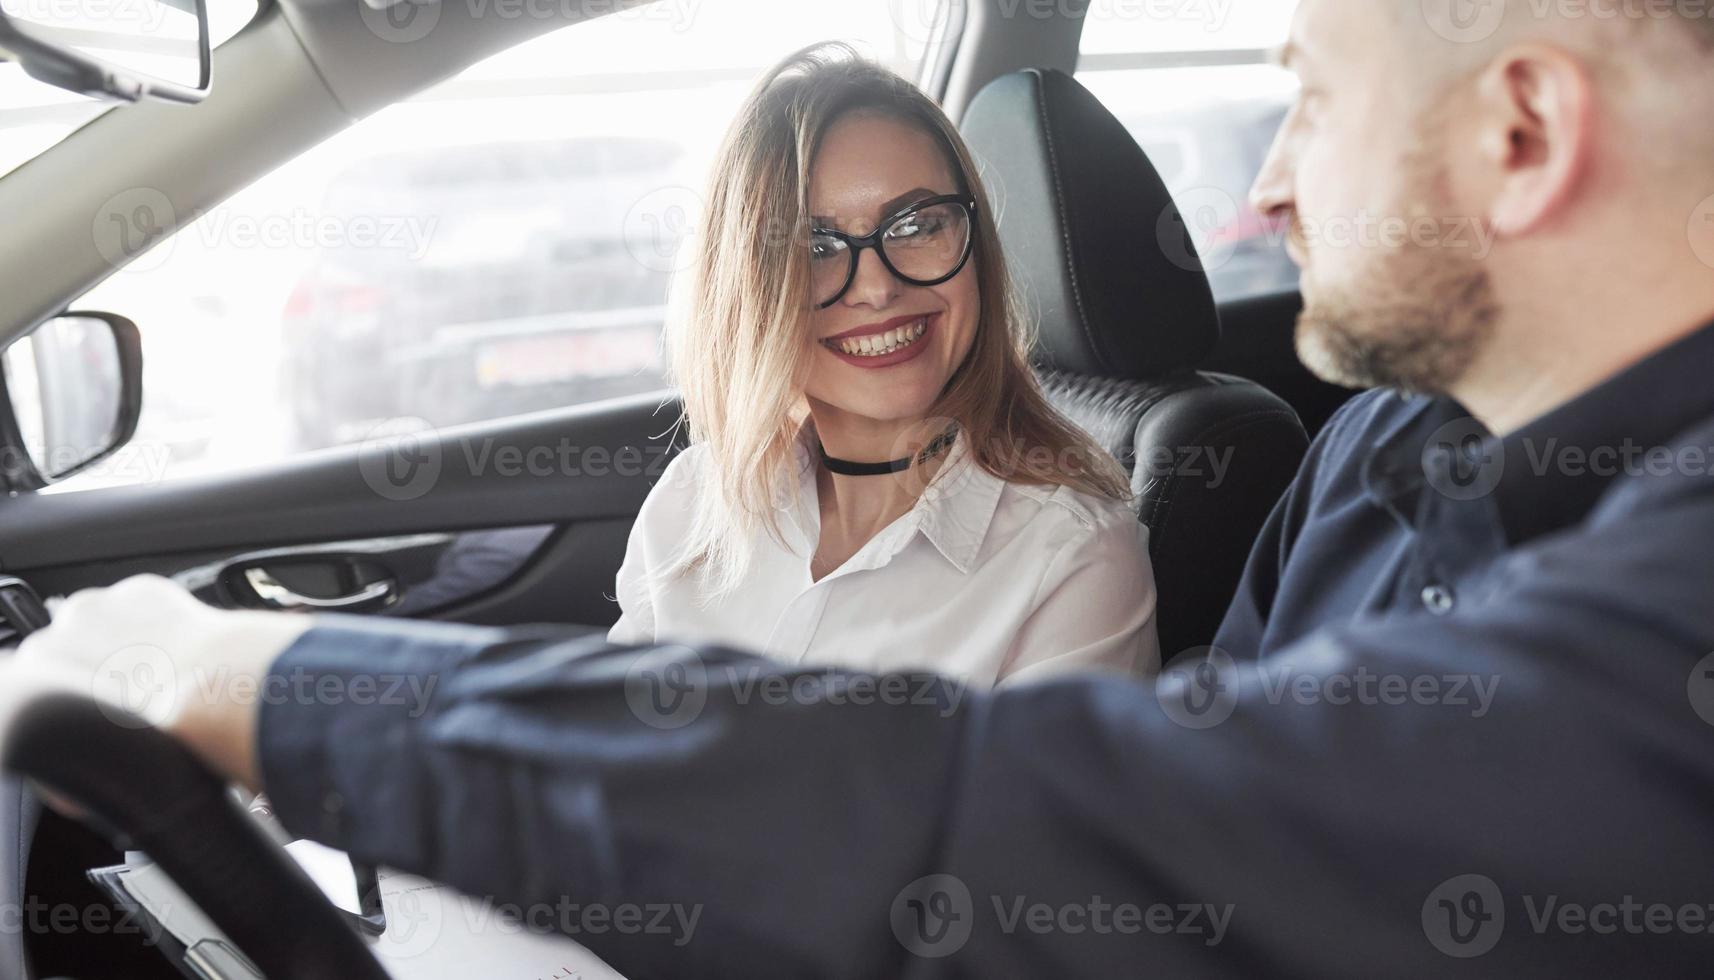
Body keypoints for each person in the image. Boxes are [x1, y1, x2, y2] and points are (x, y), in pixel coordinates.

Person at [9, 1, 1714, 975]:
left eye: (1311, 106)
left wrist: (251, 683)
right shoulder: (1365, 458)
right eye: (812, 251)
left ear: (1517, 132)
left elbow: (1068, 828)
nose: (1263, 188)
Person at [606, 45, 1158, 685]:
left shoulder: (1070, 556)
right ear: (747, 289)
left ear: (975, 247)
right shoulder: (691, 501)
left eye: (917, 226)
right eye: (816, 246)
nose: (875, 288)